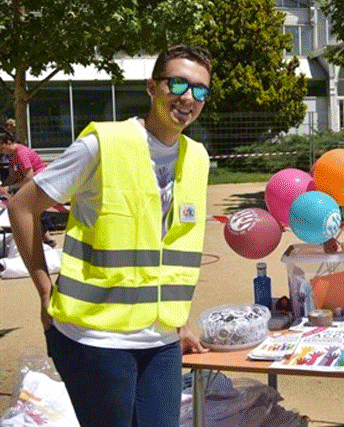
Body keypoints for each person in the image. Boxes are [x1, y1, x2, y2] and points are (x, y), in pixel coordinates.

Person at [8, 45, 213, 427]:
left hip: (161, 343)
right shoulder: (103, 144)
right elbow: (22, 207)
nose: (188, 97)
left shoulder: (197, 158)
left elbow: (170, 246)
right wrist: (42, 289)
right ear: (152, 87)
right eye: (178, 83)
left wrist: (178, 321)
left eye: (200, 90)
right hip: (96, 339)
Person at [0, 130, 56, 246]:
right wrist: (3, 186)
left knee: (28, 210)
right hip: (31, 183)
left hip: (40, 183)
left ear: (8, 142)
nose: (1, 151)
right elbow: (12, 175)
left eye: (2, 147)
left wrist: (10, 188)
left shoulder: (21, 153)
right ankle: (46, 239)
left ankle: (46, 240)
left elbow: (29, 177)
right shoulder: (11, 155)